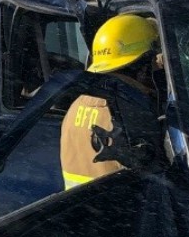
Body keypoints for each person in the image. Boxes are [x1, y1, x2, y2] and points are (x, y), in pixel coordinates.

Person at [59, 14, 160, 190]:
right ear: (144, 67)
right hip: (130, 214)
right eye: (157, 64)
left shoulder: (76, 106)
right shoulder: (132, 111)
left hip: (90, 214)